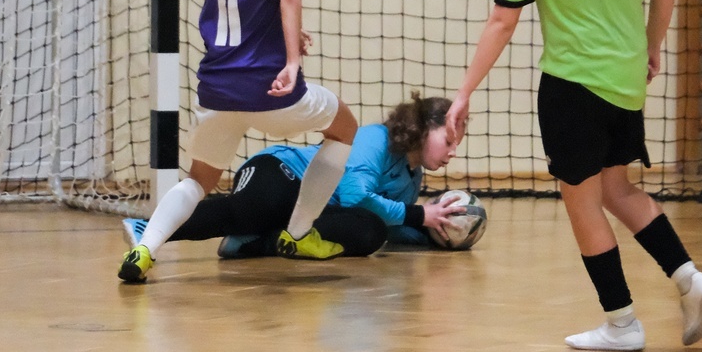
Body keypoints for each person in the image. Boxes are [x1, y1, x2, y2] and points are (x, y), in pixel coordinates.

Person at [446, 0, 702, 351]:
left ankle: (622, 324)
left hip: (573, 87)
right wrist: (651, 47)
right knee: (617, 188)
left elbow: (503, 20)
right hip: (625, 82)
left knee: (583, 203)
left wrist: (464, 93)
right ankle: (691, 279)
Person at [118, 0, 357, 283]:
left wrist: (287, 36)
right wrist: (292, 61)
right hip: (272, 93)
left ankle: (144, 249)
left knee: (198, 179)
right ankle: (298, 234)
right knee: (345, 128)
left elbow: (236, 15)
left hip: (217, 91)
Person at [122, 93, 471, 258]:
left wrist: (436, 232)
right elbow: (355, 195)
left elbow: (386, 220)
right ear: (422, 129)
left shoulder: (412, 178)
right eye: (448, 140)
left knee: (371, 232)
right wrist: (419, 215)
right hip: (281, 172)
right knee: (254, 209)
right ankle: (150, 230)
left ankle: (257, 243)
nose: (453, 152)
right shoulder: (376, 140)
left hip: (311, 211)